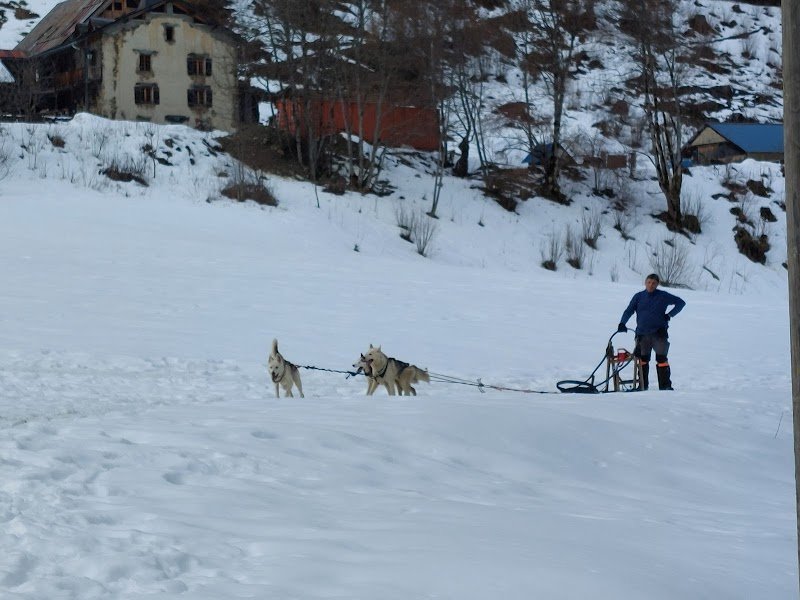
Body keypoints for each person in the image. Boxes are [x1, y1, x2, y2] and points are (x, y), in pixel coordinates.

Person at [617, 273, 686, 390]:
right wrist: (622, 323)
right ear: (645, 283)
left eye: (654, 283)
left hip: (659, 334)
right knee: (642, 360)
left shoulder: (663, 296)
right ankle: (642, 386)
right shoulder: (638, 297)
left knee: (661, 360)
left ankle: (665, 387)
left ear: (657, 284)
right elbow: (629, 311)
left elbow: (681, 303)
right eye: (649, 282)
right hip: (642, 334)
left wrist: (669, 315)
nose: (651, 285)